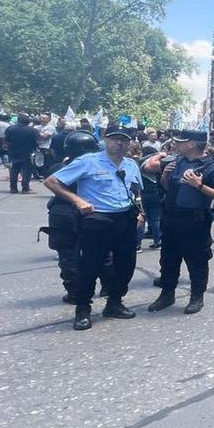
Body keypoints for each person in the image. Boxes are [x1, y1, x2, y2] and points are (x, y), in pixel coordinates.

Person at [44, 126, 142, 330]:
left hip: (125, 219)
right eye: (114, 139)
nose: (119, 143)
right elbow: (52, 182)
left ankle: (114, 303)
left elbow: (136, 190)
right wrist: (77, 200)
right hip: (97, 219)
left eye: (124, 139)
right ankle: (82, 309)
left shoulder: (132, 164)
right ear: (105, 140)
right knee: (89, 266)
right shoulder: (88, 162)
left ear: (130, 142)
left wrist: (140, 211)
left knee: (125, 265)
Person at [146, 130, 214, 315]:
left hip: (195, 222)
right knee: (168, 260)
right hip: (171, 218)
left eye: (180, 142)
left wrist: (199, 185)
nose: (176, 144)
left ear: (191, 144)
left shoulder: (211, 168)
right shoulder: (178, 162)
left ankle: (196, 296)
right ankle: (167, 294)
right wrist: (165, 177)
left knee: (196, 261)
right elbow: (170, 188)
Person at [42, 130, 104, 302]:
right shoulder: (98, 166)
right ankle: (108, 287)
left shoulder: (58, 168)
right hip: (91, 211)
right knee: (102, 251)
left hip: (63, 213)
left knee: (68, 255)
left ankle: (75, 292)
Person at [5, 113, 40, 194]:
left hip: (13, 153)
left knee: (14, 170)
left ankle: (13, 188)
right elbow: (37, 141)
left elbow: (6, 141)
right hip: (27, 153)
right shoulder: (32, 130)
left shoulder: (10, 129)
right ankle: (25, 188)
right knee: (27, 171)